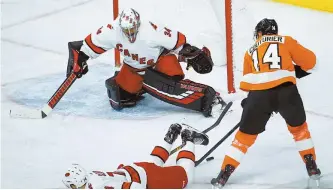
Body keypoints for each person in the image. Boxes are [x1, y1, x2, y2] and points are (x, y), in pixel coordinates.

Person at [211, 18, 320, 188]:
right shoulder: (286, 40)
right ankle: (311, 165)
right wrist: (293, 71)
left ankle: (224, 173)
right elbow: (312, 62)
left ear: (260, 33)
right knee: (299, 129)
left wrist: (251, 100)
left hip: (259, 97)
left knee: (244, 138)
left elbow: (246, 82)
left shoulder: (250, 51)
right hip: (287, 93)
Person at [66, 8, 226, 117]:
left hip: (160, 63)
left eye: (132, 29)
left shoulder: (152, 30)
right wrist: (80, 58)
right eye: (125, 30)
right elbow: (86, 46)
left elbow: (179, 43)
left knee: (165, 86)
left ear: (138, 23)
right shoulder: (111, 30)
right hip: (134, 68)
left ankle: (207, 98)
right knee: (120, 99)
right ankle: (140, 85)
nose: (129, 34)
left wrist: (191, 52)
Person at [62, 124, 209, 189]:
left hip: (146, 178)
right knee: (154, 165)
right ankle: (169, 138)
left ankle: (189, 138)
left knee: (186, 177)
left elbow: (135, 188)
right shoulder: (92, 175)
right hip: (135, 169)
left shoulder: (96, 187)